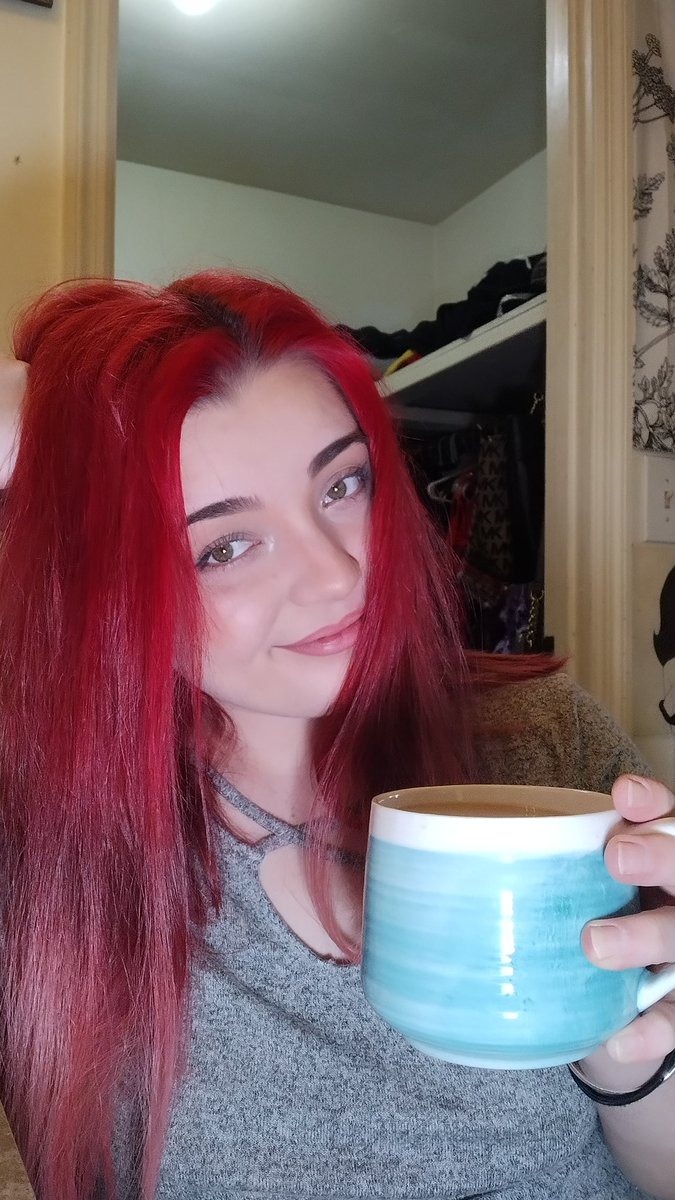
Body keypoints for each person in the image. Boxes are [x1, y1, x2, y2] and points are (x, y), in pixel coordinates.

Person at [0, 272, 673, 1200]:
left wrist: (635, 1047)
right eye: (223, 546)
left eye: (341, 483)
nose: (337, 573)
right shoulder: (50, 840)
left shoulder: (544, 736)